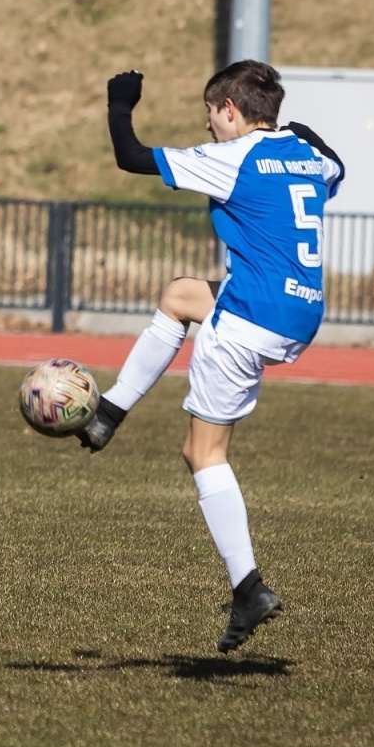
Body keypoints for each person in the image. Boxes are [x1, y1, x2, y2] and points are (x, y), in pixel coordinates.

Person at [82, 60, 344, 653]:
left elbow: (131, 156)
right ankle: (110, 413)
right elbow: (338, 165)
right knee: (180, 295)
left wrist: (121, 103)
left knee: (202, 453)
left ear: (231, 110)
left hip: (251, 318)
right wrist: (299, 130)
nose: (208, 128)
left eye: (210, 115)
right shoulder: (305, 156)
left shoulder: (236, 156)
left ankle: (248, 588)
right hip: (300, 311)